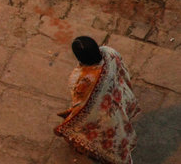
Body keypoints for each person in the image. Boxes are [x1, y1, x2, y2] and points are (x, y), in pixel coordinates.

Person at [54, 36, 141, 164]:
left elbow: (80, 104)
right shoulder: (109, 52)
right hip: (119, 96)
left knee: (76, 130)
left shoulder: (82, 79)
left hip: (105, 115)